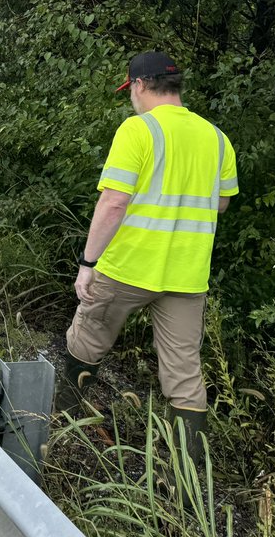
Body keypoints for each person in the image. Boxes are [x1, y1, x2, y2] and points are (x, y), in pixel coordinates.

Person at [60, 51, 238, 458]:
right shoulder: (215, 137)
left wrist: (88, 264)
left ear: (140, 85)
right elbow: (222, 203)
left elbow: (113, 203)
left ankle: (67, 425)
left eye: (131, 91)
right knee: (184, 373)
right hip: (187, 275)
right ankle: (189, 481)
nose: (131, 99)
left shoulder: (138, 130)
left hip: (128, 266)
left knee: (87, 339)